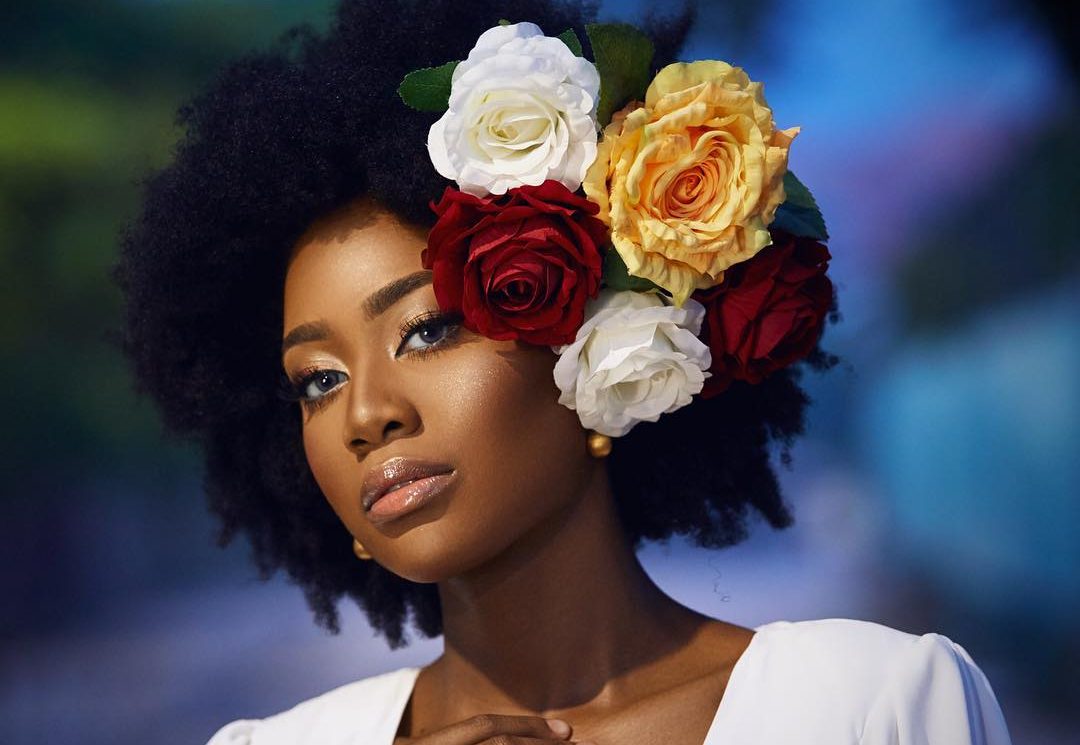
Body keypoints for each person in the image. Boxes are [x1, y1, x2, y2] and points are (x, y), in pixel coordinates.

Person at [112, 1, 1014, 743]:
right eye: (317, 379)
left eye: (425, 330)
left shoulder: (873, 704)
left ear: (585, 337)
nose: (367, 413)